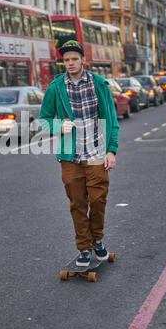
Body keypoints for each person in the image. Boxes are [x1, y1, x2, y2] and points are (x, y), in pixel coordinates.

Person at [39, 40, 120, 267]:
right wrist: (57, 127)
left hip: (96, 153)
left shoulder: (99, 84)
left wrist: (111, 151)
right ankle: (83, 247)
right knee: (77, 204)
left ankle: (98, 239)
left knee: (98, 200)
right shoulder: (56, 87)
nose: (70, 63)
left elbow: (112, 121)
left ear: (83, 60)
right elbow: (43, 119)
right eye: (66, 60)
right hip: (70, 157)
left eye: (74, 59)